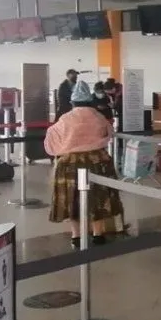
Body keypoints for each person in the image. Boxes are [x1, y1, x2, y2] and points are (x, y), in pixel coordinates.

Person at [45, 80, 124, 250]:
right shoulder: (98, 116)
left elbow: (51, 136)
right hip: (98, 163)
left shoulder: (66, 118)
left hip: (69, 164)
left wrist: (66, 148)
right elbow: (109, 133)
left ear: (73, 102)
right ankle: (98, 234)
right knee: (99, 198)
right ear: (90, 100)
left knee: (72, 200)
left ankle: (76, 236)